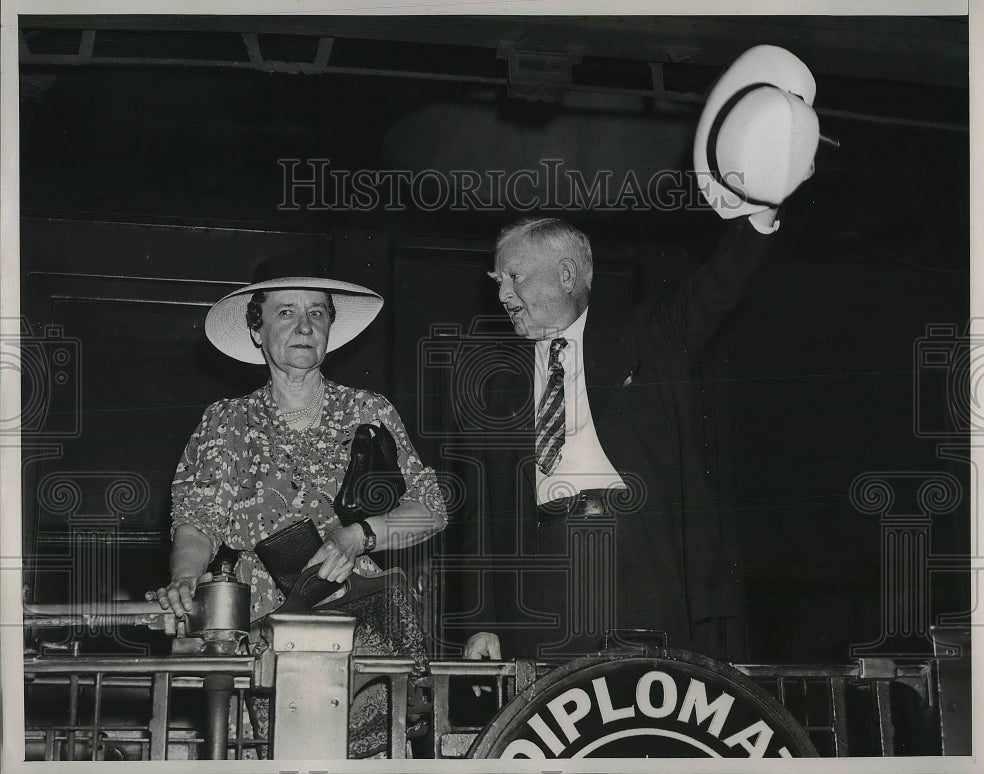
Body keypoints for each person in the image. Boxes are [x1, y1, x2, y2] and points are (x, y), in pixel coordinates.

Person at [460, 46, 822, 663]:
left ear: (567, 273)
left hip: (642, 565)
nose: (502, 294)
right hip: (540, 582)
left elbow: (719, 286)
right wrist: (483, 620)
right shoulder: (496, 385)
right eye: (497, 282)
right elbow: (487, 515)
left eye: (513, 277)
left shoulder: (648, 335)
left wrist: (761, 209)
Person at [148, 250, 447, 758]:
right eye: (286, 311)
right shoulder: (225, 421)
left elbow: (432, 509)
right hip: (259, 640)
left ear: (330, 327)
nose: (304, 326)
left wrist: (358, 536)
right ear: (256, 329)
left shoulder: (368, 411)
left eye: (317, 312)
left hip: (360, 634)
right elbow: (196, 522)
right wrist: (184, 578)